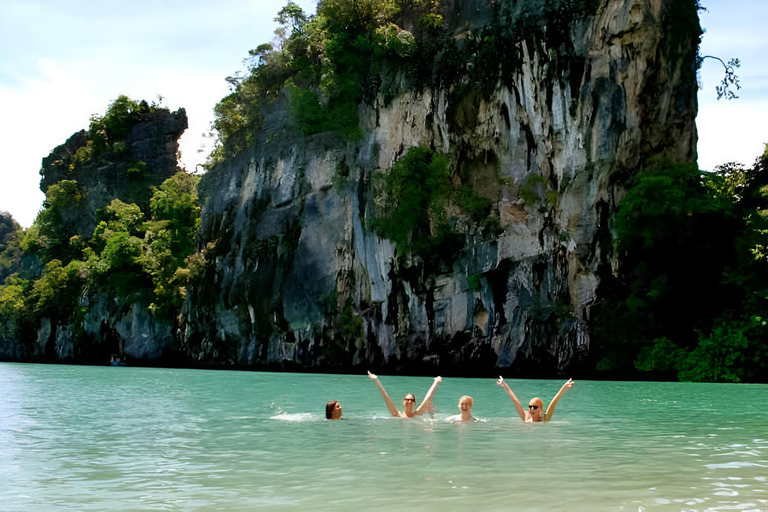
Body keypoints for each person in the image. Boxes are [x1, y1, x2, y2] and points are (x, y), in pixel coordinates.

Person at [495, 377, 574, 423]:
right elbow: (516, 401)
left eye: (535, 407)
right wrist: (505, 386)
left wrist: (564, 388)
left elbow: (554, 402)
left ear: (540, 409)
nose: (531, 409)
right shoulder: (526, 418)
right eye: (530, 406)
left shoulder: (545, 418)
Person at [368, 371, 442, 418]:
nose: (409, 401)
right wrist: (376, 380)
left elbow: (427, 398)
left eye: (411, 400)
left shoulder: (417, 414)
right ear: (403, 402)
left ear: (414, 403)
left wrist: (436, 382)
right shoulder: (397, 415)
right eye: (407, 400)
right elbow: (386, 397)